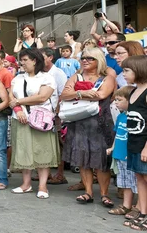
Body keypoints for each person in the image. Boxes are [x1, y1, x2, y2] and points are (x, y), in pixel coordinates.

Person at [61, 47, 116, 207]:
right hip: (79, 123)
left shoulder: (108, 78)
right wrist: (82, 94)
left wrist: (77, 91)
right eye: (83, 58)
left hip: (100, 124)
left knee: (102, 161)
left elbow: (101, 95)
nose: (85, 60)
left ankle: (105, 194)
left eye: (90, 58)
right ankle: (88, 192)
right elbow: (64, 94)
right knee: (83, 159)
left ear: (98, 61)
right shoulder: (76, 76)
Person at [9, 48, 59, 199]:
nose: (22, 63)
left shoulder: (47, 78)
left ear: (34, 60)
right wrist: (18, 109)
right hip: (20, 118)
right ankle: (26, 184)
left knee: (42, 151)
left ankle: (43, 186)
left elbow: (42, 97)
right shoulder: (17, 78)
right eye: (21, 60)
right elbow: (11, 96)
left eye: (25, 60)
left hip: (40, 119)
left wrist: (18, 101)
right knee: (24, 150)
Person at [122, 56, 147, 230]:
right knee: (139, 178)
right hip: (134, 142)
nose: (123, 74)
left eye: (127, 71)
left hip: (144, 144)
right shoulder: (133, 91)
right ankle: (143, 212)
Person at [40, 48, 69, 185]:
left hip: (56, 113)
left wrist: (58, 112)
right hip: (42, 113)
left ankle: (60, 174)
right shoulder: (40, 73)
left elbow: (63, 93)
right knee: (45, 142)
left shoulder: (58, 73)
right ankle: (46, 173)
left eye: (42, 57)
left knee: (58, 143)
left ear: (50, 57)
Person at [107, 86, 137, 216]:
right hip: (119, 154)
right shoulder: (121, 117)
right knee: (124, 181)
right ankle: (126, 205)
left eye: (119, 100)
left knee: (134, 182)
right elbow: (117, 134)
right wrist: (113, 148)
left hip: (129, 155)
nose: (116, 102)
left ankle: (137, 206)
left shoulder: (134, 117)